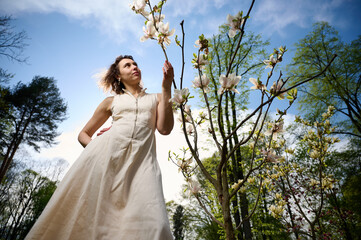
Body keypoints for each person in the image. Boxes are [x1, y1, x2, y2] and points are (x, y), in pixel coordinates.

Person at [25, 55, 175, 240]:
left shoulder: (157, 98)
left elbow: (165, 129)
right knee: (99, 222)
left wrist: (166, 87)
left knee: (156, 224)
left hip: (143, 165)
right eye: (127, 65)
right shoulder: (111, 102)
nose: (134, 67)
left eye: (135, 64)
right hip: (106, 164)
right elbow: (83, 134)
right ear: (118, 76)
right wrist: (97, 148)